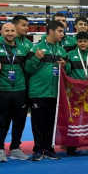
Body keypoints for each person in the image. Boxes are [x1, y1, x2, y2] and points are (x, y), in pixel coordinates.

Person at [0, 22, 32, 162]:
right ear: (1, 32)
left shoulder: (24, 49)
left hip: (20, 90)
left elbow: (29, 69)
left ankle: (15, 148)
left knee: (19, 121)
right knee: (1, 122)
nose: (10, 33)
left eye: (12, 30)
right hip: (2, 90)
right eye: (7, 31)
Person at [25, 20, 68, 161]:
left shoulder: (61, 51)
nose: (62, 34)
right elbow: (28, 69)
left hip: (54, 92)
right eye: (60, 31)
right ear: (51, 31)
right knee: (38, 123)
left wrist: (65, 66)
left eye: (63, 31)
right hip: (38, 92)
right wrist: (37, 58)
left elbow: (67, 73)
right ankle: (38, 149)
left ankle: (49, 148)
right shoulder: (36, 48)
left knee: (51, 123)